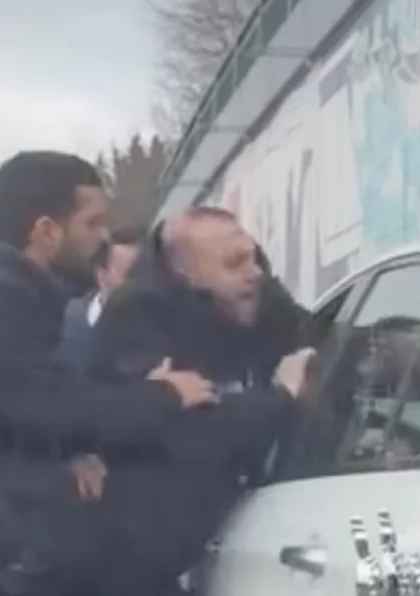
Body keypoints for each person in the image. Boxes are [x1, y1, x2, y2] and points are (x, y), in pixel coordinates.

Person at [0, 151, 217, 596]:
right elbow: (49, 408)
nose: (103, 237)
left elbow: (13, 406)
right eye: (92, 223)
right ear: (46, 230)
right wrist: (166, 395)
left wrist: (69, 451)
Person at [88, 206, 315, 596]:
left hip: (238, 528)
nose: (253, 272)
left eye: (252, 256)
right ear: (187, 273)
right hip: (144, 557)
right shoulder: (137, 318)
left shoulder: (254, 290)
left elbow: (320, 337)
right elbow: (189, 434)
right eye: (234, 263)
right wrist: (281, 396)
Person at [58, 226, 143, 373]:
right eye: (130, 275)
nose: (140, 284)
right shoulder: (63, 320)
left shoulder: (159, 329)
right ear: (102, 277)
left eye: (144, 274)